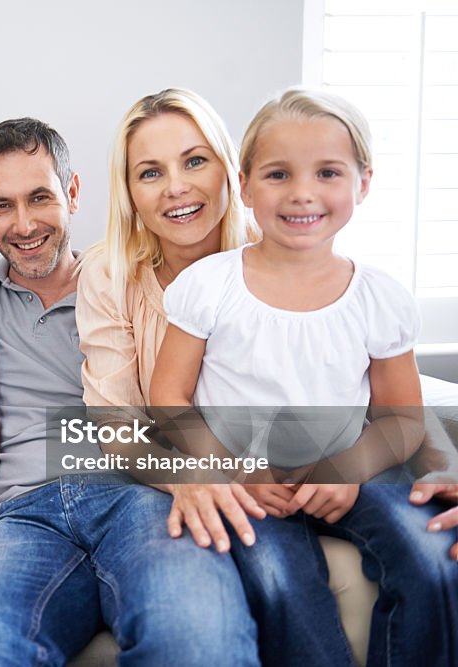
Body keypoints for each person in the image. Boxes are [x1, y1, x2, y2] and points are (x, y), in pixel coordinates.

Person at [0, 117, 260, 666]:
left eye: (40, 197)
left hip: (137, 494)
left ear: (73, 192)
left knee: (196, 632)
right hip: (22, 513)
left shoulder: (124, 281)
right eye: (2, 206)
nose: (24, 223)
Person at [150, 88, 458, 667]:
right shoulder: (209, 286)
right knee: (279, 584)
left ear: (362, 183)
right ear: (243, 185)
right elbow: (168, 395)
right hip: (250, 482)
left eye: (328, 172)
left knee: (433, 561)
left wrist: (348, 471)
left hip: (352, 475)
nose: (302, 193)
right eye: (277, 174)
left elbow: (401, 417)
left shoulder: (379, 297)